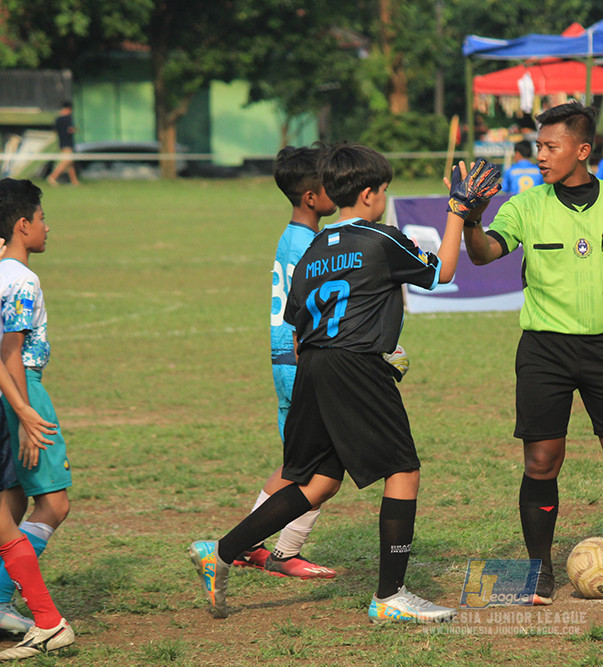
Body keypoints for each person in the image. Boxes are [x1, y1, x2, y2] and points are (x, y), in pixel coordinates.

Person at [189, 145, 501, 623]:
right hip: (355, 367)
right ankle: (390, 595)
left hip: (312, 366)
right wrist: (457, 212)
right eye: (384, 191)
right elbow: (442, 271)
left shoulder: (313, 248)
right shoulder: (380, 238)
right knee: (403, 470)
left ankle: (222, 550)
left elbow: (298, 326)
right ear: (369, 194)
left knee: (316, 481)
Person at [462, 101, 603, 605]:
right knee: (542, 459)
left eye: (550, 146)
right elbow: (483, 254)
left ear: (582, 149)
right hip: (544, 349)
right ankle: (537, 571)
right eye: (537, 147)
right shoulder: (526, 205)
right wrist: (473, 219)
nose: (540, 155)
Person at [230, 145, 340, 580]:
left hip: (287, 359)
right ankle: (270, 548)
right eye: (330, 184)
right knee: (320, 470)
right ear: (311, 197)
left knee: (302, 465)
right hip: (301, 360)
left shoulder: (293, 236)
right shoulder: (308, 245)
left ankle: (250, 545)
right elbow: (311, 309)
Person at [0, 178, 75, 658]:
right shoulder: (21, 280)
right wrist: (26, 412)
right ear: (22, 225)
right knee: (53, 505)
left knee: (11, 501)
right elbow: (11, 355)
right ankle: (18, 605)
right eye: (43, 218)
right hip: (25, 391)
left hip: (18, 395)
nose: (48, 227)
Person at [46, 103, 79, 187]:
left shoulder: (58, 119)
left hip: (61, 142)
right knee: (66, 161)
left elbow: (55, 131)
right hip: (68, 143)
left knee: (70, 163)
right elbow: (70, 129)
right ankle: (52, 177)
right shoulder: (68, 118)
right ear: (69, 109)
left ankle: (75, 182)